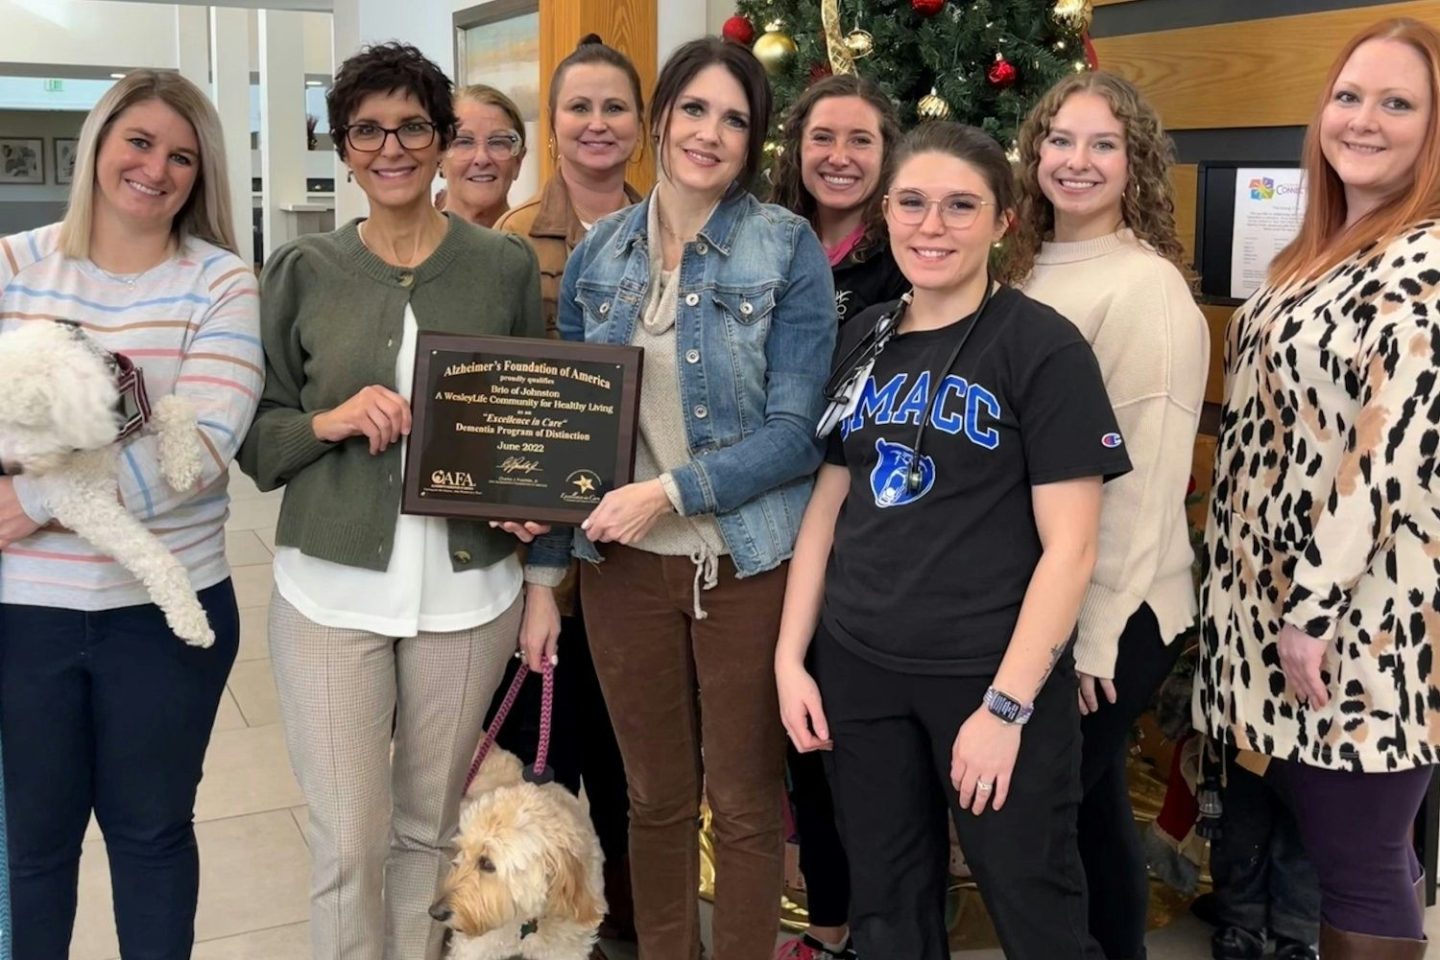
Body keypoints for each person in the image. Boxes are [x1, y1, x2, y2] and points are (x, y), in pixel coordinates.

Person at [776, 120, 1132, 960]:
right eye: (912, 203)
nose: (931, 226)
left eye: (960, 206)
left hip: (988, 675)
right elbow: (829, 504)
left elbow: (1072, 550)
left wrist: (1006, 709)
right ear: (886, 214)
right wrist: (792, 658)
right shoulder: (865, 335)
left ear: (1003, 220)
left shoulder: (1042, 347)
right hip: (860, 668)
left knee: (1035, 909)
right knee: (887, 911)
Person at [520, 36, 837, 960]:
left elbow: (798, 432)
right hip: (622, 573)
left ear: (753, 141)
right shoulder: (598, 255)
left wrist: (668, 491)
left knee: (742, 803)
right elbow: (573, 443)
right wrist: (542, 579)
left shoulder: (786, 248)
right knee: (654, 799)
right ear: (660, 120)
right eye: (693, 109)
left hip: (744, 566)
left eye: (734, 119)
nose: (709, 133)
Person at [236, 43, 543, 960]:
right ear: (343, 148)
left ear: (442, 139)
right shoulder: (301, 268)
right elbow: (257, 437)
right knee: (347, 843)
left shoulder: (502, 266)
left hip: (468, 595)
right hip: (329, 593)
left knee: (428, 832)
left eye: (413, 127)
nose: (392, 147)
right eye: (367, 131)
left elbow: (532, 417)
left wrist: (530, 503)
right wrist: (326, 421)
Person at [1194, 16, 1440, 959]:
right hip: (1291, 610)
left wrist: (1313, 609)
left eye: (1397, 103)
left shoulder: (1423, 259)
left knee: (1361, 859)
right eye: (1348, 96)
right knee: (1356, 848)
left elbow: (1390, 454)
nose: (1363, 120)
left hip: (1363, 619)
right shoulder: (1321, 250)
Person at [0, 69, 260, 958]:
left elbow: (207, 443)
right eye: (139, 142)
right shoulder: (14, 264)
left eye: (182, 156)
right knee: (33, 850)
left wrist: (34, 498)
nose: (156, 169)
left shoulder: (221, 282)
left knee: (151, 838)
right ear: (99, 145)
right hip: (24, 614)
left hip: (166, 613)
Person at [1010, 71, 1210, 960]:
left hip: (1111, 616)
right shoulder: (1024, 265)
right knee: (1090, 814)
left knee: (1044, 819)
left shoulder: (1145, 288)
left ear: (1137, 164)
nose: (1077, 161)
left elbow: (1145, 485)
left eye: (1104, 144)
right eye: (1060, 140)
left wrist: (1090, 638)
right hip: (1042, 592)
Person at [485, 37, 646, 949]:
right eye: (579, 106)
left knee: (630, 759)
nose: (597, 123)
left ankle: (628, 924)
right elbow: (488, 394)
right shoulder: (509, 241)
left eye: (615, 107)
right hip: (531, 550)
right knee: (540, 759)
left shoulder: (671, 231)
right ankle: (536, 931)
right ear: (553, 124)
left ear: (641, 124)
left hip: (635, 544)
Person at [766, 72, 908, 960]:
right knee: (800, 746)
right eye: (824, 136)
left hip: (863, 538)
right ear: (797, 148)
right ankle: (828, 925)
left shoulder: (910, 259)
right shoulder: (767, 246)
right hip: (763, 528)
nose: (840, 156)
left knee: (857, 751)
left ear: (889, 155)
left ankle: (881, 928)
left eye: (862, 140)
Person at [441, 83, 527, 228]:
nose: (482, 159)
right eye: (464, 142)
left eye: (497, 143)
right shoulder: (411, 241)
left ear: (518, 161)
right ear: (439, 160)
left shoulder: (532, 241)